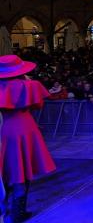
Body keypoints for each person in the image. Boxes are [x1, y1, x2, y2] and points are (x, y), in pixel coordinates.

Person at [0, 55, 56, 223]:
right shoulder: (31, 85)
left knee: (10, 170)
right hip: (27, 127)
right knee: (23, 171)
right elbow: (38, 105)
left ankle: (7, 209)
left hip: (6, 129)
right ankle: (18, 213)